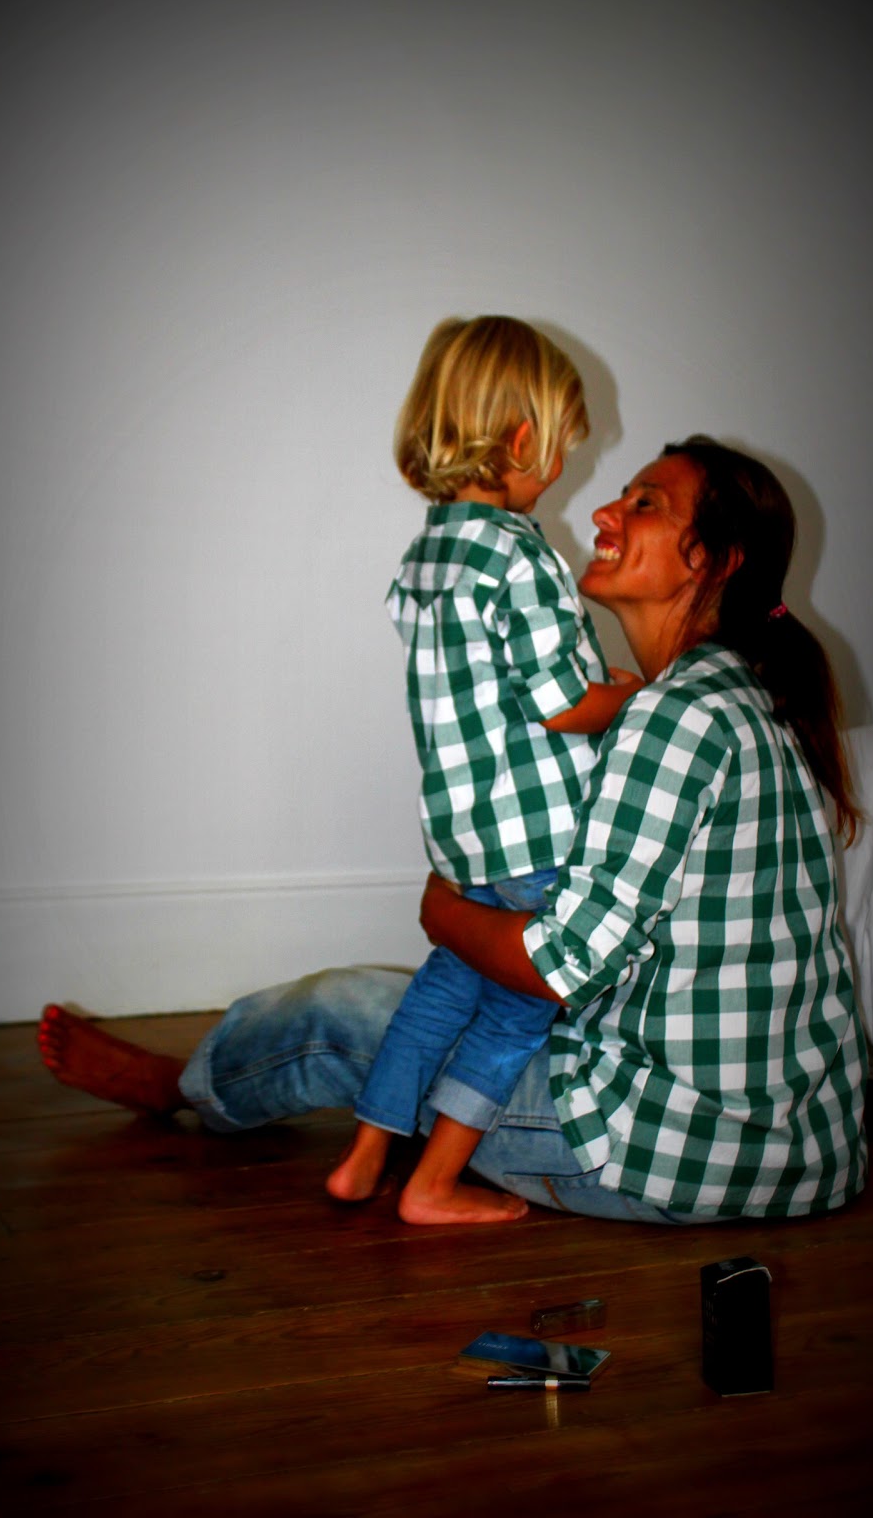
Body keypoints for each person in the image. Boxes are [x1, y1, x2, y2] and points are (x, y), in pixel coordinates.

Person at [39, 435, 867, 1225]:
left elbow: (554, 968)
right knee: (453, 1003)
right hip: (803, 1155)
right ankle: (217, 1081)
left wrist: (444, 913)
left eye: (644, 503)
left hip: (656, 1154)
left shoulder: (673, 716)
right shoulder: (740, 696)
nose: (604, 513)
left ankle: (179, 1088)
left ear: (715, 560)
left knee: (347, 1009)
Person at [325, 316, 640, 1223]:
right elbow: (560, 704)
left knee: (442, 988)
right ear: (521, 439)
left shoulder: (426, 554)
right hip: (535, 832)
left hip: (463, 834)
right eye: (561, 449)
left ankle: (364, 1158)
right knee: (515, 1009)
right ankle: (431, 1185)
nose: (562, 469)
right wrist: (630, 696)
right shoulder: (519, 552)